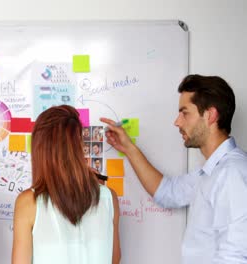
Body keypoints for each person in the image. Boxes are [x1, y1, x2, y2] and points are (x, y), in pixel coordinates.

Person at [101, 74, 247, 263]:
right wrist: (128, 148)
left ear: (210, 115)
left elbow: (236, 256)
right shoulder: (211, 172)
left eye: (184, 113)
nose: (177, 122)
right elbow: (167, 192)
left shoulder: (232, 173)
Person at [12, 105, 120, 264]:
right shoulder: (109, 197)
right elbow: (114, 258)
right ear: (78, 146)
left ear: (39, 149)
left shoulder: (29, 202)